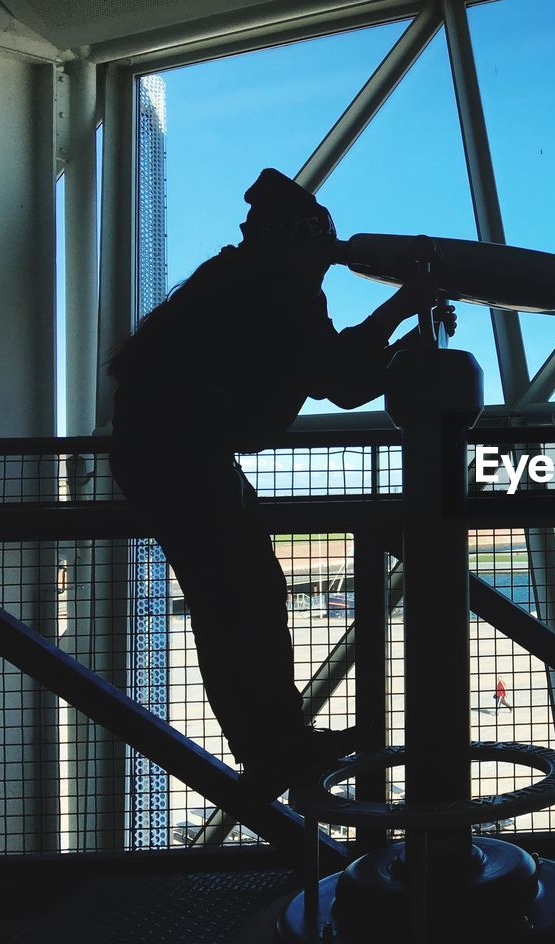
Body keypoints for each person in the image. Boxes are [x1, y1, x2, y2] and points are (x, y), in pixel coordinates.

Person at [108, 168, 453, 799]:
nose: (327, 264)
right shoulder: (280, 290)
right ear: (300, 244)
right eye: (320, 250)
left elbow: (333, 374)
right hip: (183, 458)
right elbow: (344, 379)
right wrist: (404, 312)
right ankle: (273, 750)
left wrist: (398, 328)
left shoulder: (243, 280)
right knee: (237, 599)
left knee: (242, 597)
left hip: (172, 453)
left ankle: (276, 744)